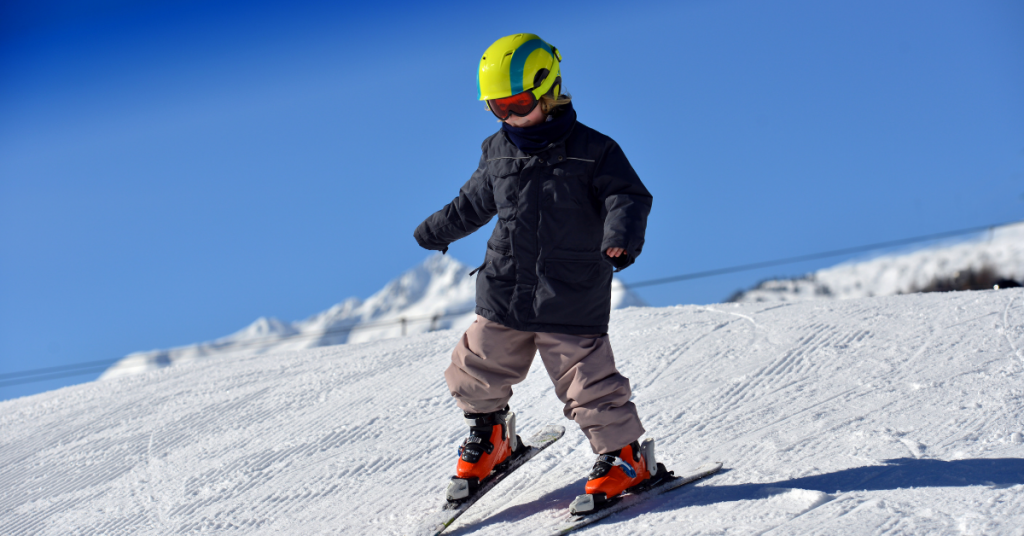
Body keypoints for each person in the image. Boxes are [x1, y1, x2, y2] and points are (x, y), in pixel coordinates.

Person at [413, 33, 654, 512]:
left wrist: (621, 235)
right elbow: (474, 202)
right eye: (497, 108)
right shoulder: (497, 150)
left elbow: (626, 197)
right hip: (505, 285)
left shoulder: (595, 151)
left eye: (519, 104)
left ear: (550, 89)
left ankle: (626, 457)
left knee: (589, 382)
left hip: (570, 289)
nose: (510, 117)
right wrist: (436, 229)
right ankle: (492, 436)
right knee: (475, 366)